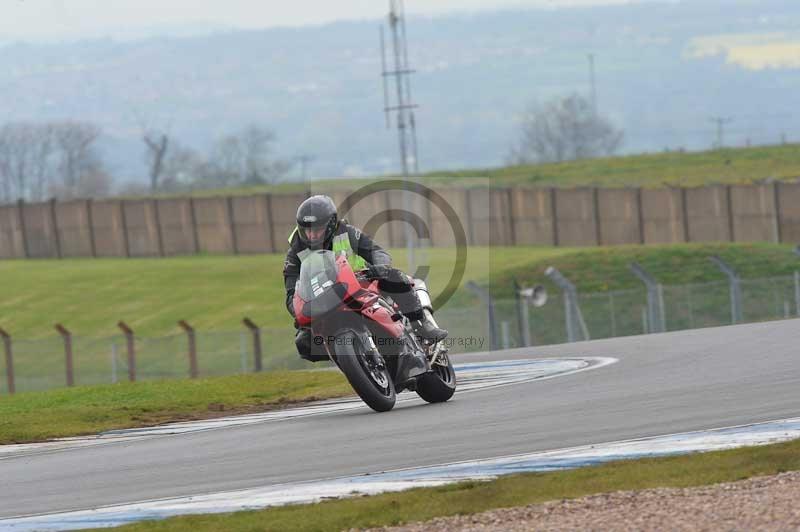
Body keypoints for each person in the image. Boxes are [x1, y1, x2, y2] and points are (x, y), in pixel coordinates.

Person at [283, 195, 447, 359]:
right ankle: (351, 356)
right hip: (326, 297)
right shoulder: (295, 252)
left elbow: (376, 251)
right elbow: (291, 291)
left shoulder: (346, 232)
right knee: (304, 343)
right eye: (307, 230)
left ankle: (420, 324)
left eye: (317, 229)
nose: (312, 235)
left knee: (396, 277)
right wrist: (297, 311)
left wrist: (380, 268)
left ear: (331, 224)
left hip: (362, 281)